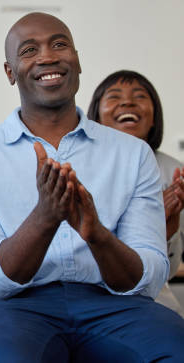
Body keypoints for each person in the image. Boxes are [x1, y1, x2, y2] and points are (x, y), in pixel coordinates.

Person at [0, 12, 184, 362]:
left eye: (60, 44)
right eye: (29, 50)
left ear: (77, 60)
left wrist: (96, 234)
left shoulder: (133, 154)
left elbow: (148, 279)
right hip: (12, 310)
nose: (47, 56)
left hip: (115, 305)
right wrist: (45, 218)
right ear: (10, 73)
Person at [87, 70, 184, 315]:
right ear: (96, 117)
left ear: (154, 118)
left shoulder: (175, 173)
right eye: (114, 96)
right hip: (88, 295)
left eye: (139, 96)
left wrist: (164, 233)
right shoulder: (79, 165)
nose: (128, 102)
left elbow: (169, 272)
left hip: (152, 297)